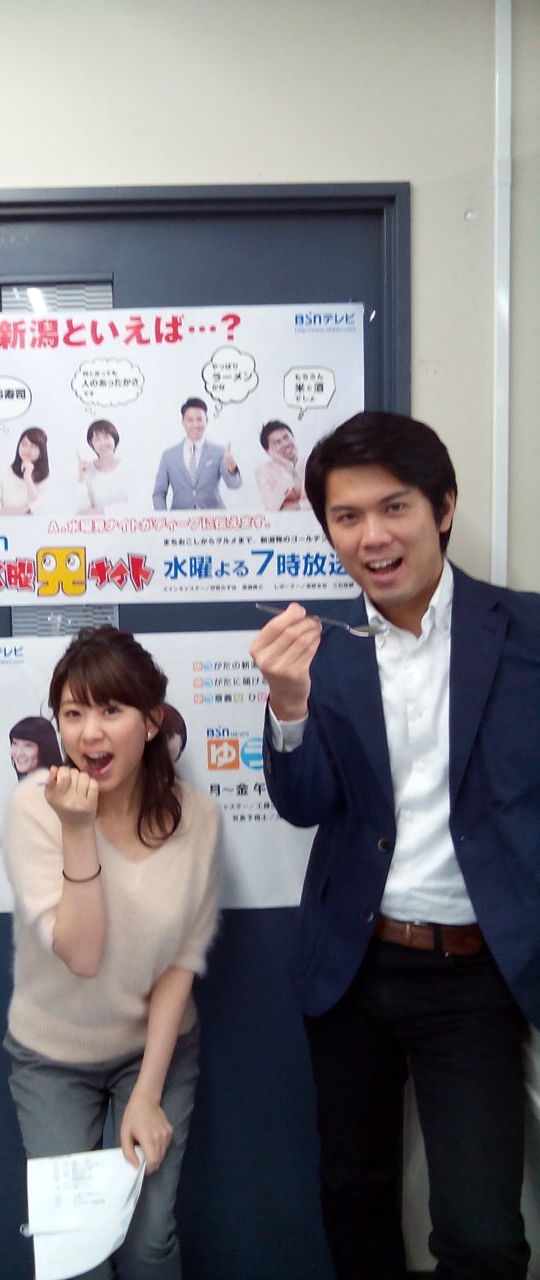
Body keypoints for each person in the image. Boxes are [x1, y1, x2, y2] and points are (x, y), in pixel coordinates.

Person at [249, 410, 538, 1280]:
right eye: (347, 517)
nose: (372, 536)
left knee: (484, 1237)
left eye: (394, 507)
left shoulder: (525, 635)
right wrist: (287, 706)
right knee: (355, 1193)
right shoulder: (322, 653)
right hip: (354, 967)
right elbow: (303, 805)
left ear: (442, 508)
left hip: (476, 976)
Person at [2, 626, 223, 1280]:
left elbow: (181, 962)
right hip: (52, 1056)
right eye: (73, 714)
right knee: (76, 1257)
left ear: (152, 722)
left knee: (149, 1241)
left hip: (154, 1048)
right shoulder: (33, 810)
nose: (90, 733)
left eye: (111, 710)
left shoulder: (197, 819)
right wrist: (78, 829)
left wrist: (148, 1093)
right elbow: (82, 954)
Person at [0, 715, 63, 847]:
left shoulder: (57, 788)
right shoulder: (29, 786)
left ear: (45, 748)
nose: (19, 753)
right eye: (14, 744)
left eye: (28, 746)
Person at [152, 397, 241, 510]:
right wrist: (165, 518)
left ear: (206, 420)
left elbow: (234, 485)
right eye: (190, 420)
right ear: (183, 422)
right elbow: (159, 493)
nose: (195, 424)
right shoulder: (169, 455)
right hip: (180, 517)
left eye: (199, 419)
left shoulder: (219, 451)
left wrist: (232, 469)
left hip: (213, 517)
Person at [76, 418, 136, 514]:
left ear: (114, 439)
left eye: (106, 437)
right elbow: (82, 512)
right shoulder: (88, 470)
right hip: (96, 523)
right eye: (97, 439)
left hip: (125, 522)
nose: (103, 443)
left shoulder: (128, 467)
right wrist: (81, 478)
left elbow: (136, 505)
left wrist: (102, 512)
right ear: (91, 443)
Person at [0, 426, 50, 515]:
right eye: (24, 444)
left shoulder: (47, 477)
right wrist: (22, 510)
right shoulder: (4, 472)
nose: (27, 450)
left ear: (41, 451)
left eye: (33, 446)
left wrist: (27, 477)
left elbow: (38, 508)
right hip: (7, 522)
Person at [254, 419, 310, 511]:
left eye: (286, 437)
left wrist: (298, 506)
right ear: (268, 451)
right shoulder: (263, 471)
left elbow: (325, 500)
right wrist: (288, 470)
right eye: (277, 442)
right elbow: (271, 507)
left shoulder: (311, 461)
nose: (285, 444)